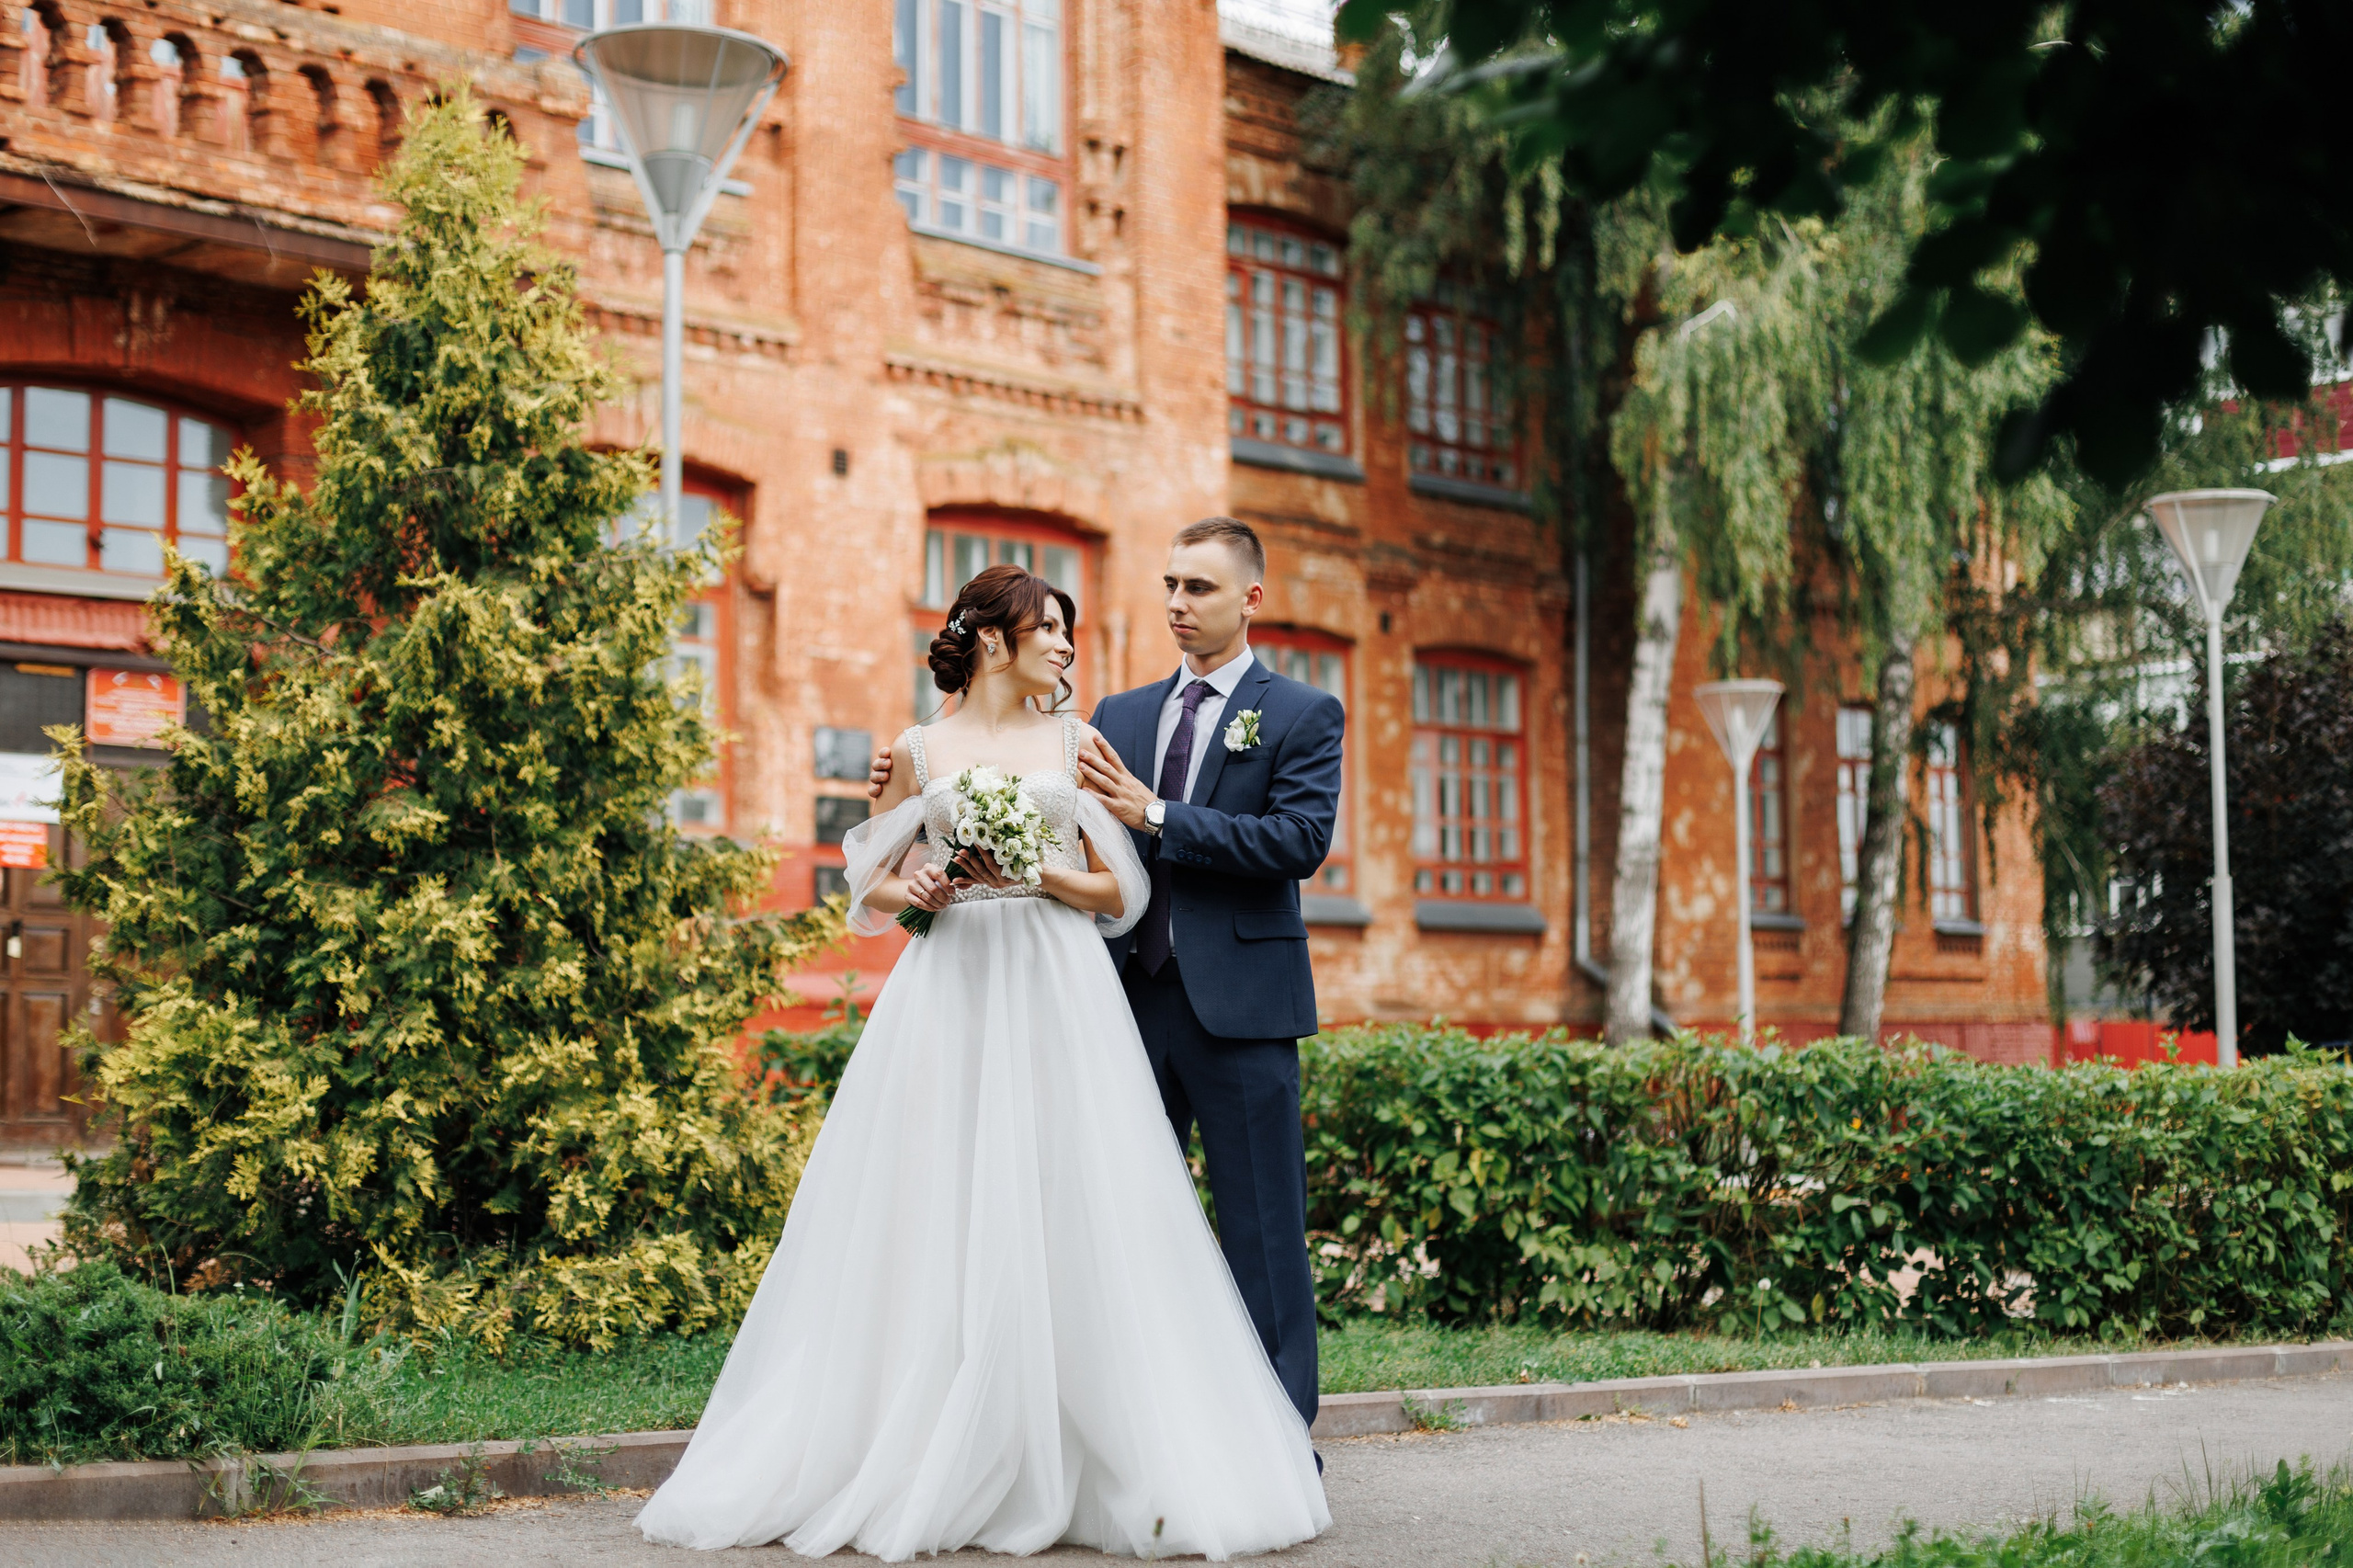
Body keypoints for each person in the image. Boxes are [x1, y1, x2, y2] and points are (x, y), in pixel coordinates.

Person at [635, 563, 1327, 1561]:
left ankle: (1098, 1442)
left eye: (1067, 630)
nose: (1064, 645)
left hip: (1059, 990)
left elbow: (1119, 894)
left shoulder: (1077, 740)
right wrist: (917, 881)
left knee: (1077, 1196)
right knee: (933, 1196)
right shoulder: (917, 749)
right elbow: (870, 889)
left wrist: (1035, 871)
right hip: (951, 989)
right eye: (1048, 628)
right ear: (993, 639)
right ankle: (930, 1433)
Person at [867, 517, 1344, 1438]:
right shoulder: (1107, 717)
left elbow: (1299, 842)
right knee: (1110, 1226)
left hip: (1238, 1008)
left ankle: (1278, 1442)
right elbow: (972, 748)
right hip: (1105, 999)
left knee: (1262, 1235)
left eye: (1198, 587)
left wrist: (1159, 812)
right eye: (1169, 582)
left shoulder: (1300, 713)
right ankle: (1136, 1432)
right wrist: (891, 770)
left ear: (1250, 598)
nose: (1175, 601)